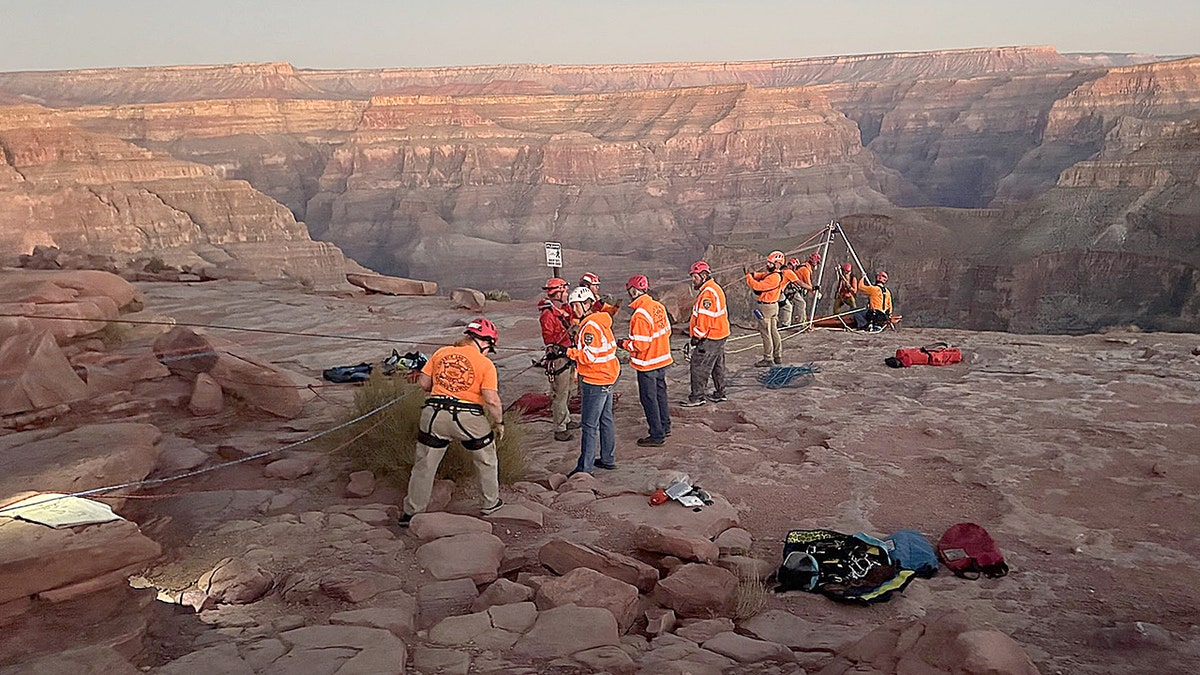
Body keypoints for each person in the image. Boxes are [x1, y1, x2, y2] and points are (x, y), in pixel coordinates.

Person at [399, 318, 505, 526]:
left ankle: (411, 512)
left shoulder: (441, 353)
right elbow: (491, 400)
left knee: (425, 464)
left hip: (434, 415)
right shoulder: (485, 364)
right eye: (489, 348)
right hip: (468, 419)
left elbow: (423, 383)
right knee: (486, 459)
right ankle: (490, 503)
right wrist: (499, 422)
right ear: (484, 343)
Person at [566, 286, 619, 474]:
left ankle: (585, 468)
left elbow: (589, 357)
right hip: (608, 376)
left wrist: (570, 352)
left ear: (587, 304)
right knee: (606, 419)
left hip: (595, 379)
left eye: (576, 306)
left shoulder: (589, 327)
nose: (574, 310)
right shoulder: (601, 322)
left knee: (589, 425)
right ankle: (607, 458)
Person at [618, 274, 672, 447]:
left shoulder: (640, 315)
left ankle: (657, 435)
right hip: (662, 360)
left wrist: (624, 344)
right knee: (660, 395)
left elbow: (640, 345)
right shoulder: (658, 307)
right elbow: (667, 331)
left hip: (647, 363)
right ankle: (665, 426)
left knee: (649, 399)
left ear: (633, 291)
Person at [683, 260, 730, 407]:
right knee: (717, 364)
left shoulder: (708, 294)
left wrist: (697, 336)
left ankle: (697, 397)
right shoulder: (714, 288)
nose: (693, 281)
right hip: (720, 333)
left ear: (703, 276)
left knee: (698, 365)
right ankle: (720, 393)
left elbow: (704, 318)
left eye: (695, 277)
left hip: (711, 336)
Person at [539, 277, 578, 442]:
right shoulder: (548, 315)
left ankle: (566, 419)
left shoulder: (564, 309)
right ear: (557, 293)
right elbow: (550, 340)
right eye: (564, 291)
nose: (567, 294)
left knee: (567, 390)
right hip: (559, 358)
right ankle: (560, 428)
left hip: (568, 354)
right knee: (560, 393)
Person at [745, 250, 786, 366]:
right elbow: (762, 275)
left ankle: (768, 358)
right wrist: (753, 274)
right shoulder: (774, 275)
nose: (768, 265)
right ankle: (777, 355)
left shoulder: (774, 278)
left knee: (766, 333)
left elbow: (758, 286)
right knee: (773, 331)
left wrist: (748, 277)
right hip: (772, 306)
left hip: (766, 307)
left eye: (770, 263)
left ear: (777, 264)